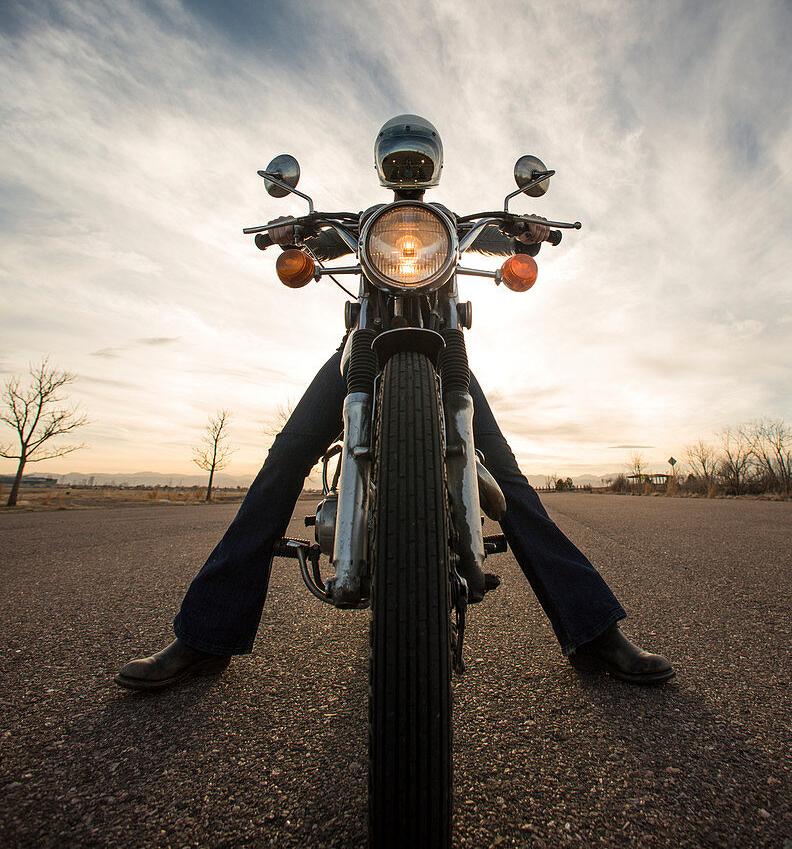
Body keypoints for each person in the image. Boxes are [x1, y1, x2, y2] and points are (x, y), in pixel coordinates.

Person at [116, 117, 674, 691]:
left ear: (433, 163)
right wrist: (295, 231)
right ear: (383, 164)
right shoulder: (362, 224)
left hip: (444, 350)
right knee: (281, 467)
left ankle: (593, 632)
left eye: (417, 157)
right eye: (399, 158)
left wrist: (526, 231)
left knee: (509, 482)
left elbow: (499, 238)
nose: (408, 167)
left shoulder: (452, 224)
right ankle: (204, 637)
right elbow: (316, 239)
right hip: (358, 352)